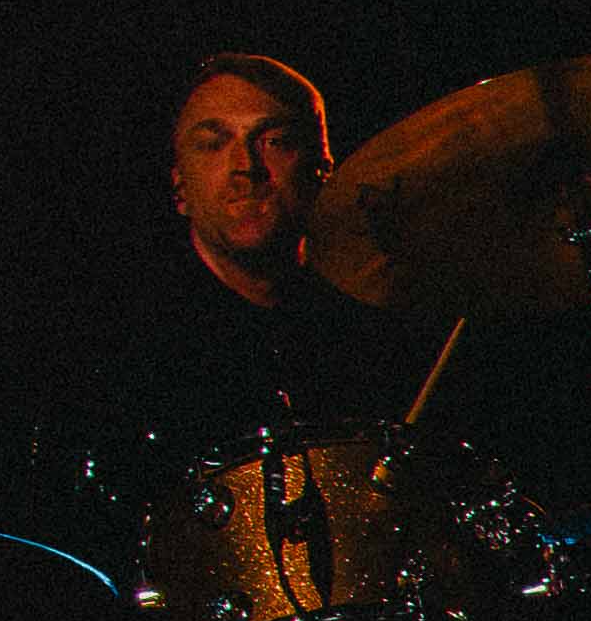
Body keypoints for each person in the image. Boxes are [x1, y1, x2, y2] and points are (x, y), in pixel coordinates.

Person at [115, 53, 447, 445]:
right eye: (212, 144)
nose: (246, 166)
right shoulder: (131, 353)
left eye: (274, 141)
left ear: (322, 172)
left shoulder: (384, 337)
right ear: (179, 188)